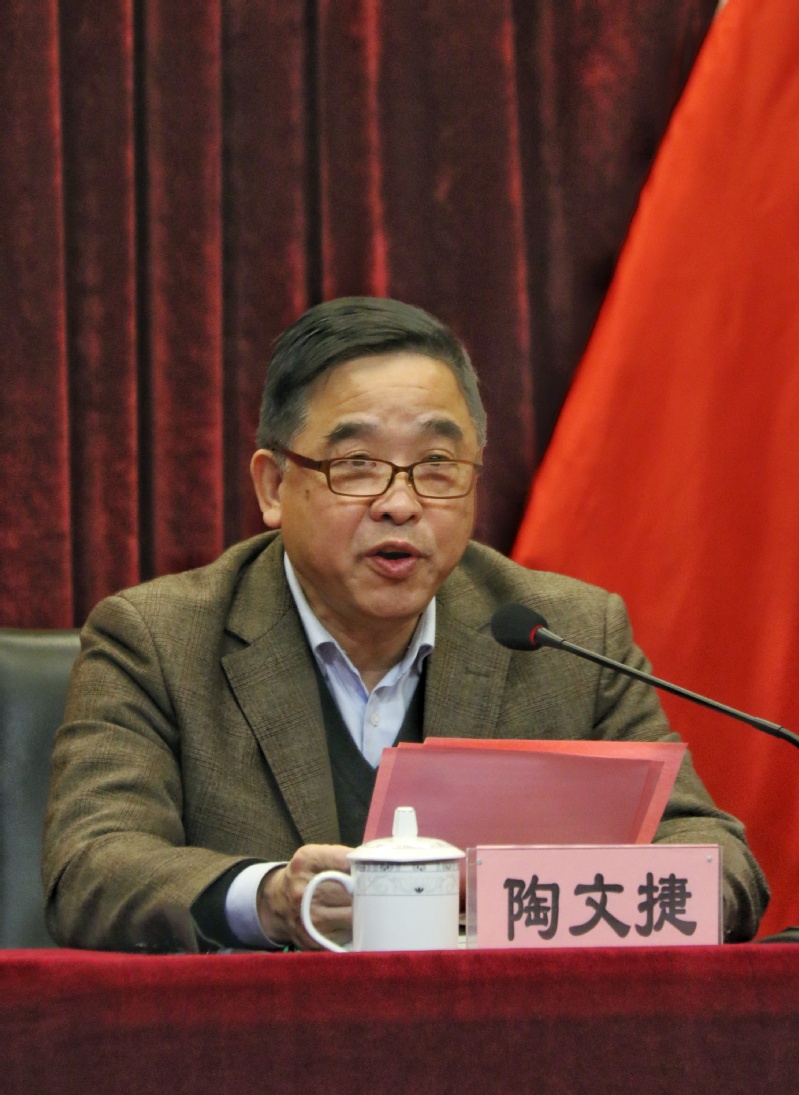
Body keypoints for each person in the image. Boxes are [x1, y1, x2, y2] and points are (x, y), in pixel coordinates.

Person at [42, 296, 768, 952]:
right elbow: (89, 866)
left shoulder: (567, 636)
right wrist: (271, 899)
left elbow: (719, 861)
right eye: (357, 463)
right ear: (273, 486)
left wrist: (538, 893)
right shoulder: (156, 640)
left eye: (436, 464)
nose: (400, 503)